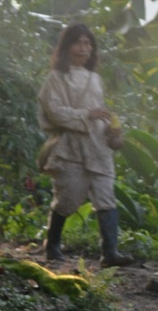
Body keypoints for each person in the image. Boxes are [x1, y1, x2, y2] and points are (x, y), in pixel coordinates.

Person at [37, 23, 134, 267]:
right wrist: (86, 115)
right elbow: (55, 112)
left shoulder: (96, 79)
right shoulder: (55, 79)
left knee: (106, 197)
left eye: (88, 44)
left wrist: (113, 131)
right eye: (79, 43)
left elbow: (102, 112)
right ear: (68, 47)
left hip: (98, 146)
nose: (84, 48)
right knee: (67, 199)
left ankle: (110, 252)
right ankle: (53, 245)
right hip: (71, 148)